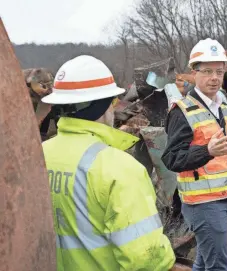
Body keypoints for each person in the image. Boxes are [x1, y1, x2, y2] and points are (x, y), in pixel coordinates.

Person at [41, 55, 175, 271]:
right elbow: (146, 260)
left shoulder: (39, 156)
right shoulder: (119, 168)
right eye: (113, 101)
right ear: (102, 106)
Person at [162, 38, 227, 271]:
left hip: (223, 197)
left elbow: (224, 148)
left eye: (219, 72)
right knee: (218, 265)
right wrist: (206, 151)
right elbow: (171, 158)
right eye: (207, 71)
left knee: (204, 260)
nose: (214, 77)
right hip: (202, 203)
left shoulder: (223, 105)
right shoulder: (183, 112)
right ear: (194, 73)